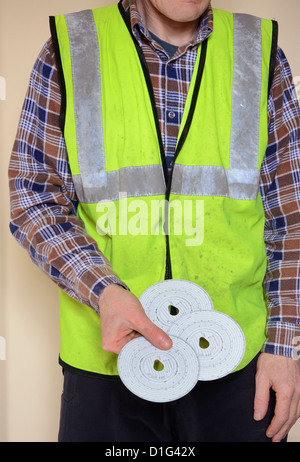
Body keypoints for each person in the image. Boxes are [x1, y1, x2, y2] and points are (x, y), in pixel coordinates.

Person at [8, 0, 300, 443]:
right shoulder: (71, 47)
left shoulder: (259, 50)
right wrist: (103, 291)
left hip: (236, 363)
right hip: (106, 368)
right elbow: (33, 196)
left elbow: (292, 216)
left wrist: (284, 347)